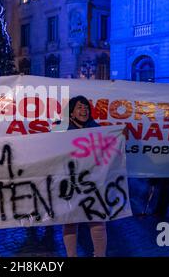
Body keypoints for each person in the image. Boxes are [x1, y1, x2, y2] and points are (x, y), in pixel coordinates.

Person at [59, 96, 107, 257]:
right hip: (69, 182)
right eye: (79, 107)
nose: (84, 110)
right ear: (71, 113)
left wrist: (120, 135)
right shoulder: (60, 129)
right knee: (70, 222)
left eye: (86, 107)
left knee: (97, 222)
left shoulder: (97, 128)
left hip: (92, 183)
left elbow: (108, 148)